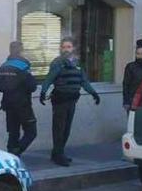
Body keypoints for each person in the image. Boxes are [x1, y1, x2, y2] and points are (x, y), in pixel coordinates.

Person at [39, 37, 100, 166]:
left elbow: (83, 81)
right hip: (60, 100)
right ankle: (58, 154)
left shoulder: (77, 64)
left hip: (72, 100)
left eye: (69, 47)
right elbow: (49, 79)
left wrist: (94, 93)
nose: (66, 49)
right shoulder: (57, 62)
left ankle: (58, 152)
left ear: (73, 48)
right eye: (64, 47)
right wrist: (43, 92)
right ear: (61, 49)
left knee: (66, 129)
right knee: (59, 129)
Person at [0, 41, 37, 156]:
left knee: (13, 133)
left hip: (8, 104)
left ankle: (10, 156)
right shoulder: (23, 66)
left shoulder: (2, 67)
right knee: (31, 132)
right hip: (23, 105)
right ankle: (16, 153)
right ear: (21, 51)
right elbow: (32, 86)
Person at [122, 41, 142, 112]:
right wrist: (126, 101)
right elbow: (126, 84)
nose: (140, 56)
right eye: (138, 54)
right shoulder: (130, 67)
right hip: (134, 101)